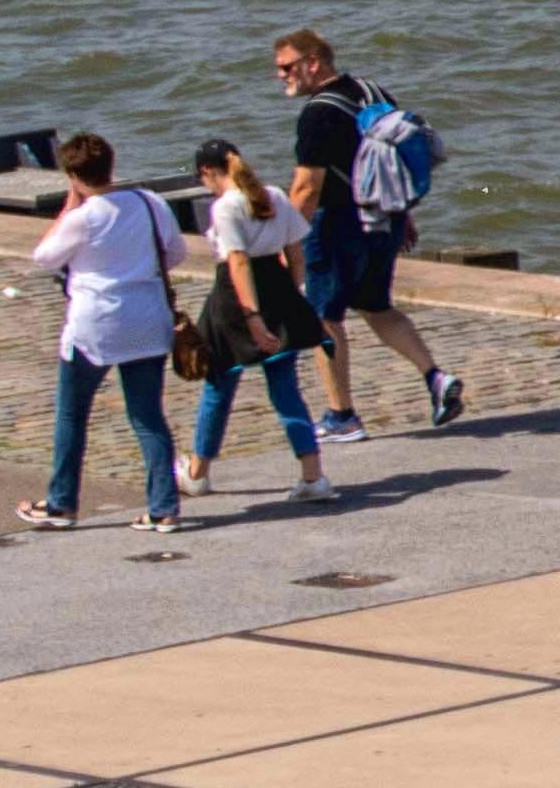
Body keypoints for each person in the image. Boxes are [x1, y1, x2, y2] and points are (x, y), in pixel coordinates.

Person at [274, 28, 459, 438]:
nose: (281, 76)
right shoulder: (373, 91)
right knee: (377, 307)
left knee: (324, 318)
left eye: (286, 67)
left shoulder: (317, 114)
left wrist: (284, 240)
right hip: (385, 219)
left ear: (312, 62)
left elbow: (306, 189)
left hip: (338, 225)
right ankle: (436, 378)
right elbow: (395, 159)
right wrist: (403, 215)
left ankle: (342, 417)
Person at [20, 133, 189, 537]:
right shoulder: (149, 202)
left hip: (95, 326)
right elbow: (177, 252)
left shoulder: (83, 217)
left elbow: (44, 257)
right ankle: (164, 508)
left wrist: (69, 205)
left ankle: (62, 502)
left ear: (74, 176)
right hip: (147, 319)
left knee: (72, 414)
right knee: (147, 416)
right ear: (111, 166)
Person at [171, 144, 340, 509]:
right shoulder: (275, 195)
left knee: (219, 386)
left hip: (235, 301)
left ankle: (197, 474)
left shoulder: (225, 206)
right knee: (285, 389)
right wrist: (289, 296)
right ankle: (313, 476)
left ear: (207, 172)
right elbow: (296, 254)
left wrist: (252, 315)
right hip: (278, 289)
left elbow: (238, 262)